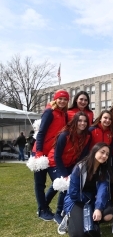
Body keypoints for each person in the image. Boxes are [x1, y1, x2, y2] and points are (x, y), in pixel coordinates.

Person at [47, 112, 91, 224]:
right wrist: (65, 174)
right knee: (64, 184)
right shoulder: (65, 135)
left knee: (60, 184)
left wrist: (74, 170)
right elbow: (57, 156)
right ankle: (57, 213)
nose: (83, 123)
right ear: (75, 121)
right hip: (55, 162)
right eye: (80, 120)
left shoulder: (87, 136)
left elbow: (82, 155)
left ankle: (45, 205)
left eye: (85, 121)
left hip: (71, 163)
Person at [61, 142, 113, 236]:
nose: (104, 155)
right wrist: (88, 202)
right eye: (102, 152)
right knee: (78, 234)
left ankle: (93, 221)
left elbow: (102, 191)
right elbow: (73, 193)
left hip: (94, 199)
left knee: (108, 215)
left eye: (107, 154)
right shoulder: (80, 167)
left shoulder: (104, 171)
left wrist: (98, 208)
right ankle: (69, 218)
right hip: (77, 200)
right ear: (94, 151)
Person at [34, 89, 69, 221]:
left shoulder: (64, 114)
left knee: (59, 181)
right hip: (41, 152)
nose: (62, 101)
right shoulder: (49, 112)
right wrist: (38, 152)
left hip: (53, 153)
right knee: (40, 183)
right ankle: (42, 209)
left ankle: (45, 207)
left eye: (65, 99)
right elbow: (41, 132)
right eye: (60, 99)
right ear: (55, 99)